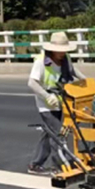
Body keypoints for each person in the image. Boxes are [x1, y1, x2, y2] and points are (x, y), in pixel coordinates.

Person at [27, 31, 86, 175]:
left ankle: (35, 164)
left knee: (49, 134)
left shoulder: (66, 59)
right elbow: (32, 83)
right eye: (59, 51)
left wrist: (86, 81)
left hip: (61, 102)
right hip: (46, 104)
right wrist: (47, 96)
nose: (62, 53)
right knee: (59, 133)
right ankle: (58, 165)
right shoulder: (41, 62)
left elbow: (73, 71)